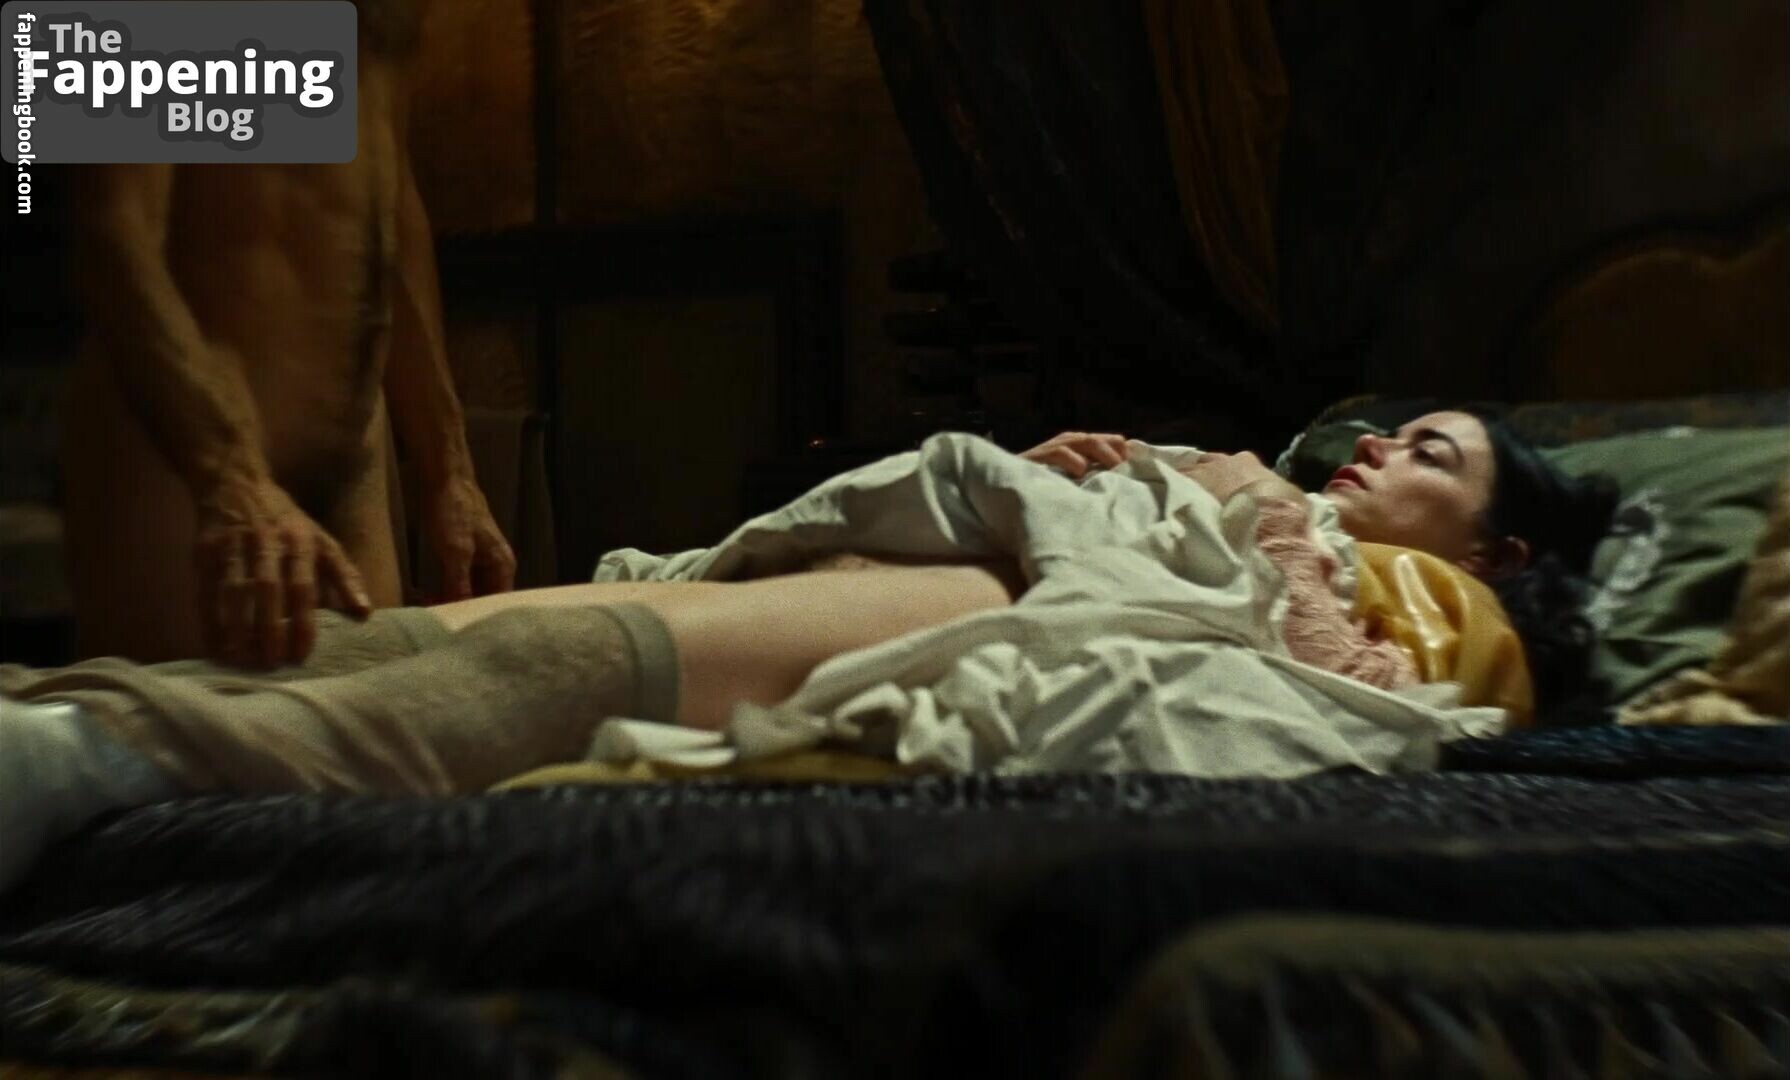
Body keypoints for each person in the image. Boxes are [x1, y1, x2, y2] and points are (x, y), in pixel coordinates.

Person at [1, 410, 1615, 891]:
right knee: (400, 639)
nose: (1375, 449)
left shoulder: (1466, 617)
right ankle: (57, 721)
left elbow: (1368, 695)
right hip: (1046, 547)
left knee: (557, 667)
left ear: (1500, 549)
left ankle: (85, 759)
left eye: (1430, 452)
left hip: (1056, 596)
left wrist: (1248, 506)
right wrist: (1104, 466)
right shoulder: (1288, 500)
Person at [60, 0, 516, 672]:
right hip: (182, 455)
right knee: (186, 730)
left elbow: (390, 191)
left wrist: (448, 468)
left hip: (353, 457)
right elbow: (110, 231)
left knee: (378, 722)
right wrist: (228, 475)